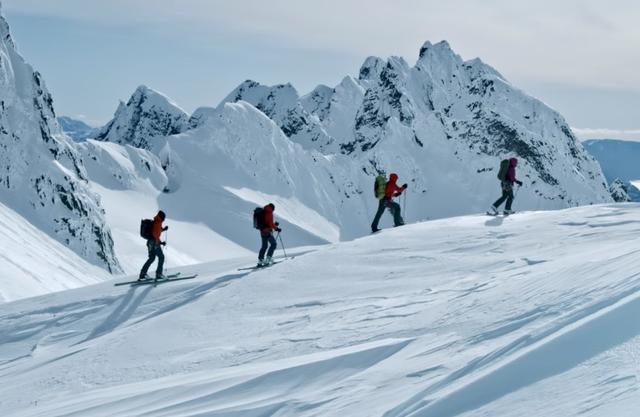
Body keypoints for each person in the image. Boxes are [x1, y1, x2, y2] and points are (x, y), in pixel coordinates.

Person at [139, 210, 168, 281]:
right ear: (162, 217)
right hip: (154, 244)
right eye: (164, 217)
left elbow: (155, 233)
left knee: (151, 258)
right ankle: (159, 274)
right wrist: (160, 243)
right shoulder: (158, 223)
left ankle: (143, 274)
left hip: (150, 243)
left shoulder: (156, 222)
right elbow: (156, 235)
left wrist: (163, 230)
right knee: (161, 257)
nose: (164, 219)